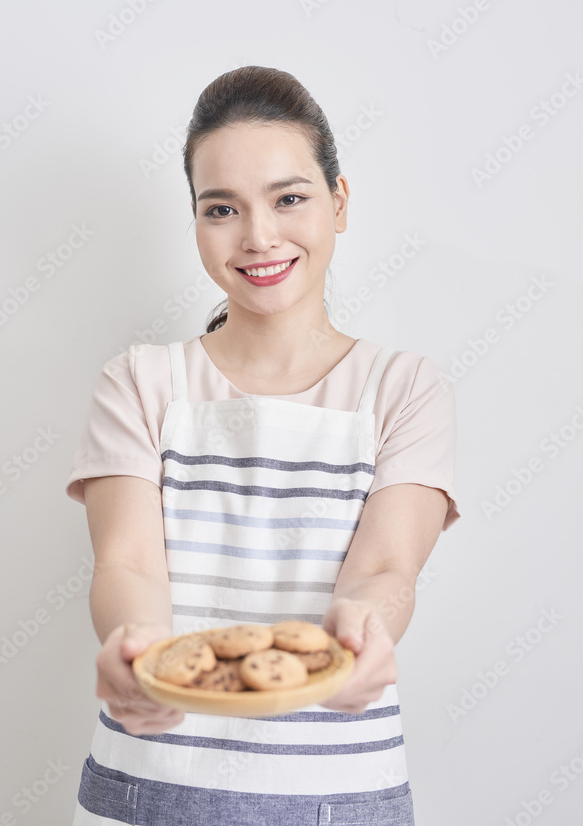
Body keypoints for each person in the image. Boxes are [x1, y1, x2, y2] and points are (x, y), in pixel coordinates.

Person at [65, 65, 458, 826]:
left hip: (337, 792)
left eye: (289, 198)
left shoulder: (403, 387)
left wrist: (364, 634)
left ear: (338, 202)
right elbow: (127, 564)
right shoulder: (140, 381)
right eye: (221, 209)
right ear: (195, 221)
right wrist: (136, 648)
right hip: (147, 781)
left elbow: (384, 568)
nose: (258, 236)